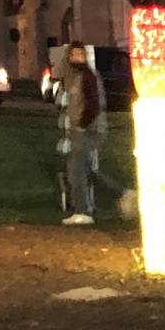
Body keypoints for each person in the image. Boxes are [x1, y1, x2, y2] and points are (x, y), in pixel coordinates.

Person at [56, 41, 130, 224]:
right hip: (80, 129)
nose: (76, 58)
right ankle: (124, 196)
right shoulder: (73, 76)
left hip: (89, 130)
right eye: (73, 55)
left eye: (80, 55)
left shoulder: (88, 76)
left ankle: (83, 212)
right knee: (89, 169)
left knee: (76, 171)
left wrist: (82, 125)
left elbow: (94, 105)